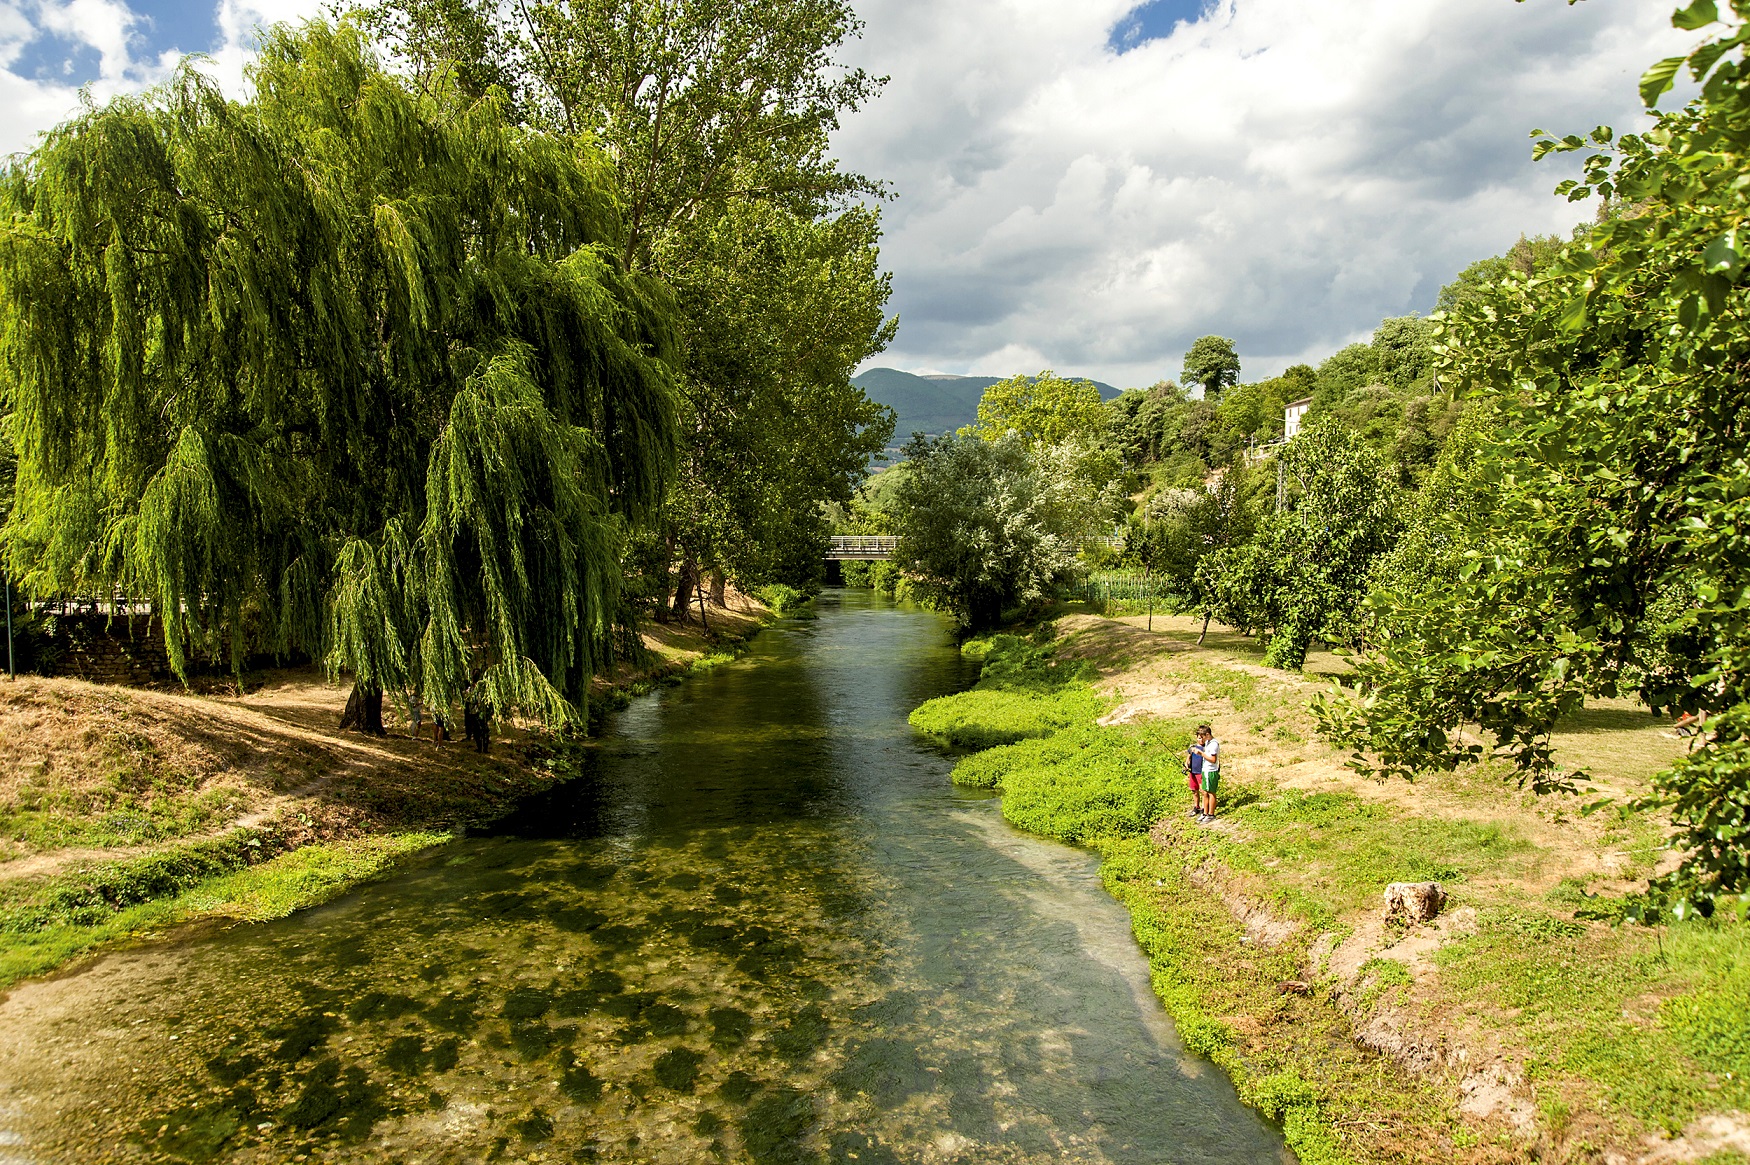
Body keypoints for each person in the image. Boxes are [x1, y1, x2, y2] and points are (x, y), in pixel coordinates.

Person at [1192, 724, 1221, 822]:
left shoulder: (1214, 744)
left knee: (1211, 793)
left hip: (1211, 771)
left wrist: (1201, 754)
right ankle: (1205, 813)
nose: (1202, 739)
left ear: (1207, 734)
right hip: (1205, 770)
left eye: (1202, 737)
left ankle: (1211, 814)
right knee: (1205, 792)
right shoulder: (1208, 742)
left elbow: (1213, 759)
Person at [1185, 735, 1204, 818]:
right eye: (1199, 738)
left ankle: (1204, 808)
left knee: (1203, 791)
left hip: (1201, 772)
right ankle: (1196, 807)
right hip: (1193, 772)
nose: (1201, 740)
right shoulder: (1192, 748)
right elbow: (1188, 760)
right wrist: (1186, 766)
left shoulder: (1206, 748)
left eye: (1202, 738)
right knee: (1194, 790)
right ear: (1196, 738)